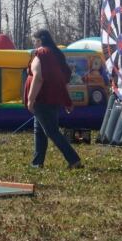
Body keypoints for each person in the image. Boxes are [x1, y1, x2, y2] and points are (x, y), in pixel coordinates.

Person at [25, 29, 82, 169]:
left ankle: (74, 160)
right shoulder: (57, 54)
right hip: (53, 99)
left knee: (52, 132)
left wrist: (30, 99)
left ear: (40, 40)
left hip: (43, 99)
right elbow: (64, 79)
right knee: (39, 130)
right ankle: (37, 162)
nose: (34, 44)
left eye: (35, 41)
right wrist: (66, 100)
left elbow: (38, 78)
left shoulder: (42, 54)